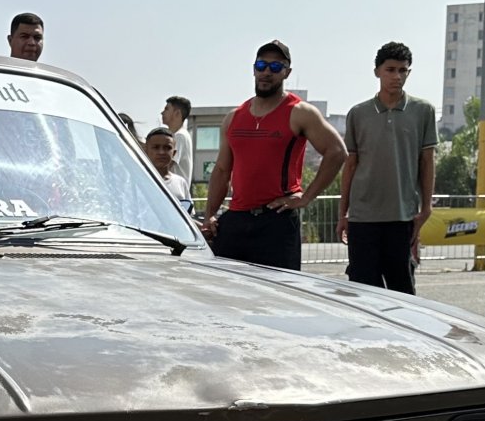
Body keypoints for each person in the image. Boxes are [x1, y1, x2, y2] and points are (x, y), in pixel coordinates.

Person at [202, 41, 346, 269]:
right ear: (254, 69)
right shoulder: (234, 117)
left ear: (286, 72)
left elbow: (337, 151)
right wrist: (210, 214)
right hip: (237, 219)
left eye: (275, 67)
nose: (267, 72)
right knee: (226, 287)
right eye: (261, 65)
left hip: (276, 221)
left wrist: (306, 197)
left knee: (278, 290)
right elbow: (221, 170)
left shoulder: (300, 112)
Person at [338, 42, 437, 294]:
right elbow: (350, 164)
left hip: (402, 216)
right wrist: (342, 213)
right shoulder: (358, 113)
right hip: (363, 217)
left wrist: (426, 207)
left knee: (401, 292)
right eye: (390, 70)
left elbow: (427, 161)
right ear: (377, 72)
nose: (397, 76)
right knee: (362, 292)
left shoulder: (423, 111)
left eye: (402, 70)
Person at [143, 126, 192, 205]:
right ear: (146, 151)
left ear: (174, 153)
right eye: (156, 147)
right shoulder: (137, 180)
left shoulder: (180, 183)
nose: (161, 152)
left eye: (167, 148)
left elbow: (188, 210)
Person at [160, 95, 194, 185]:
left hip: (174, 191)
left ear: (177, 113)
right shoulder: (178, 135)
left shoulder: (180, 136)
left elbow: (166, 164)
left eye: (166, 109)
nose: (162, 113)